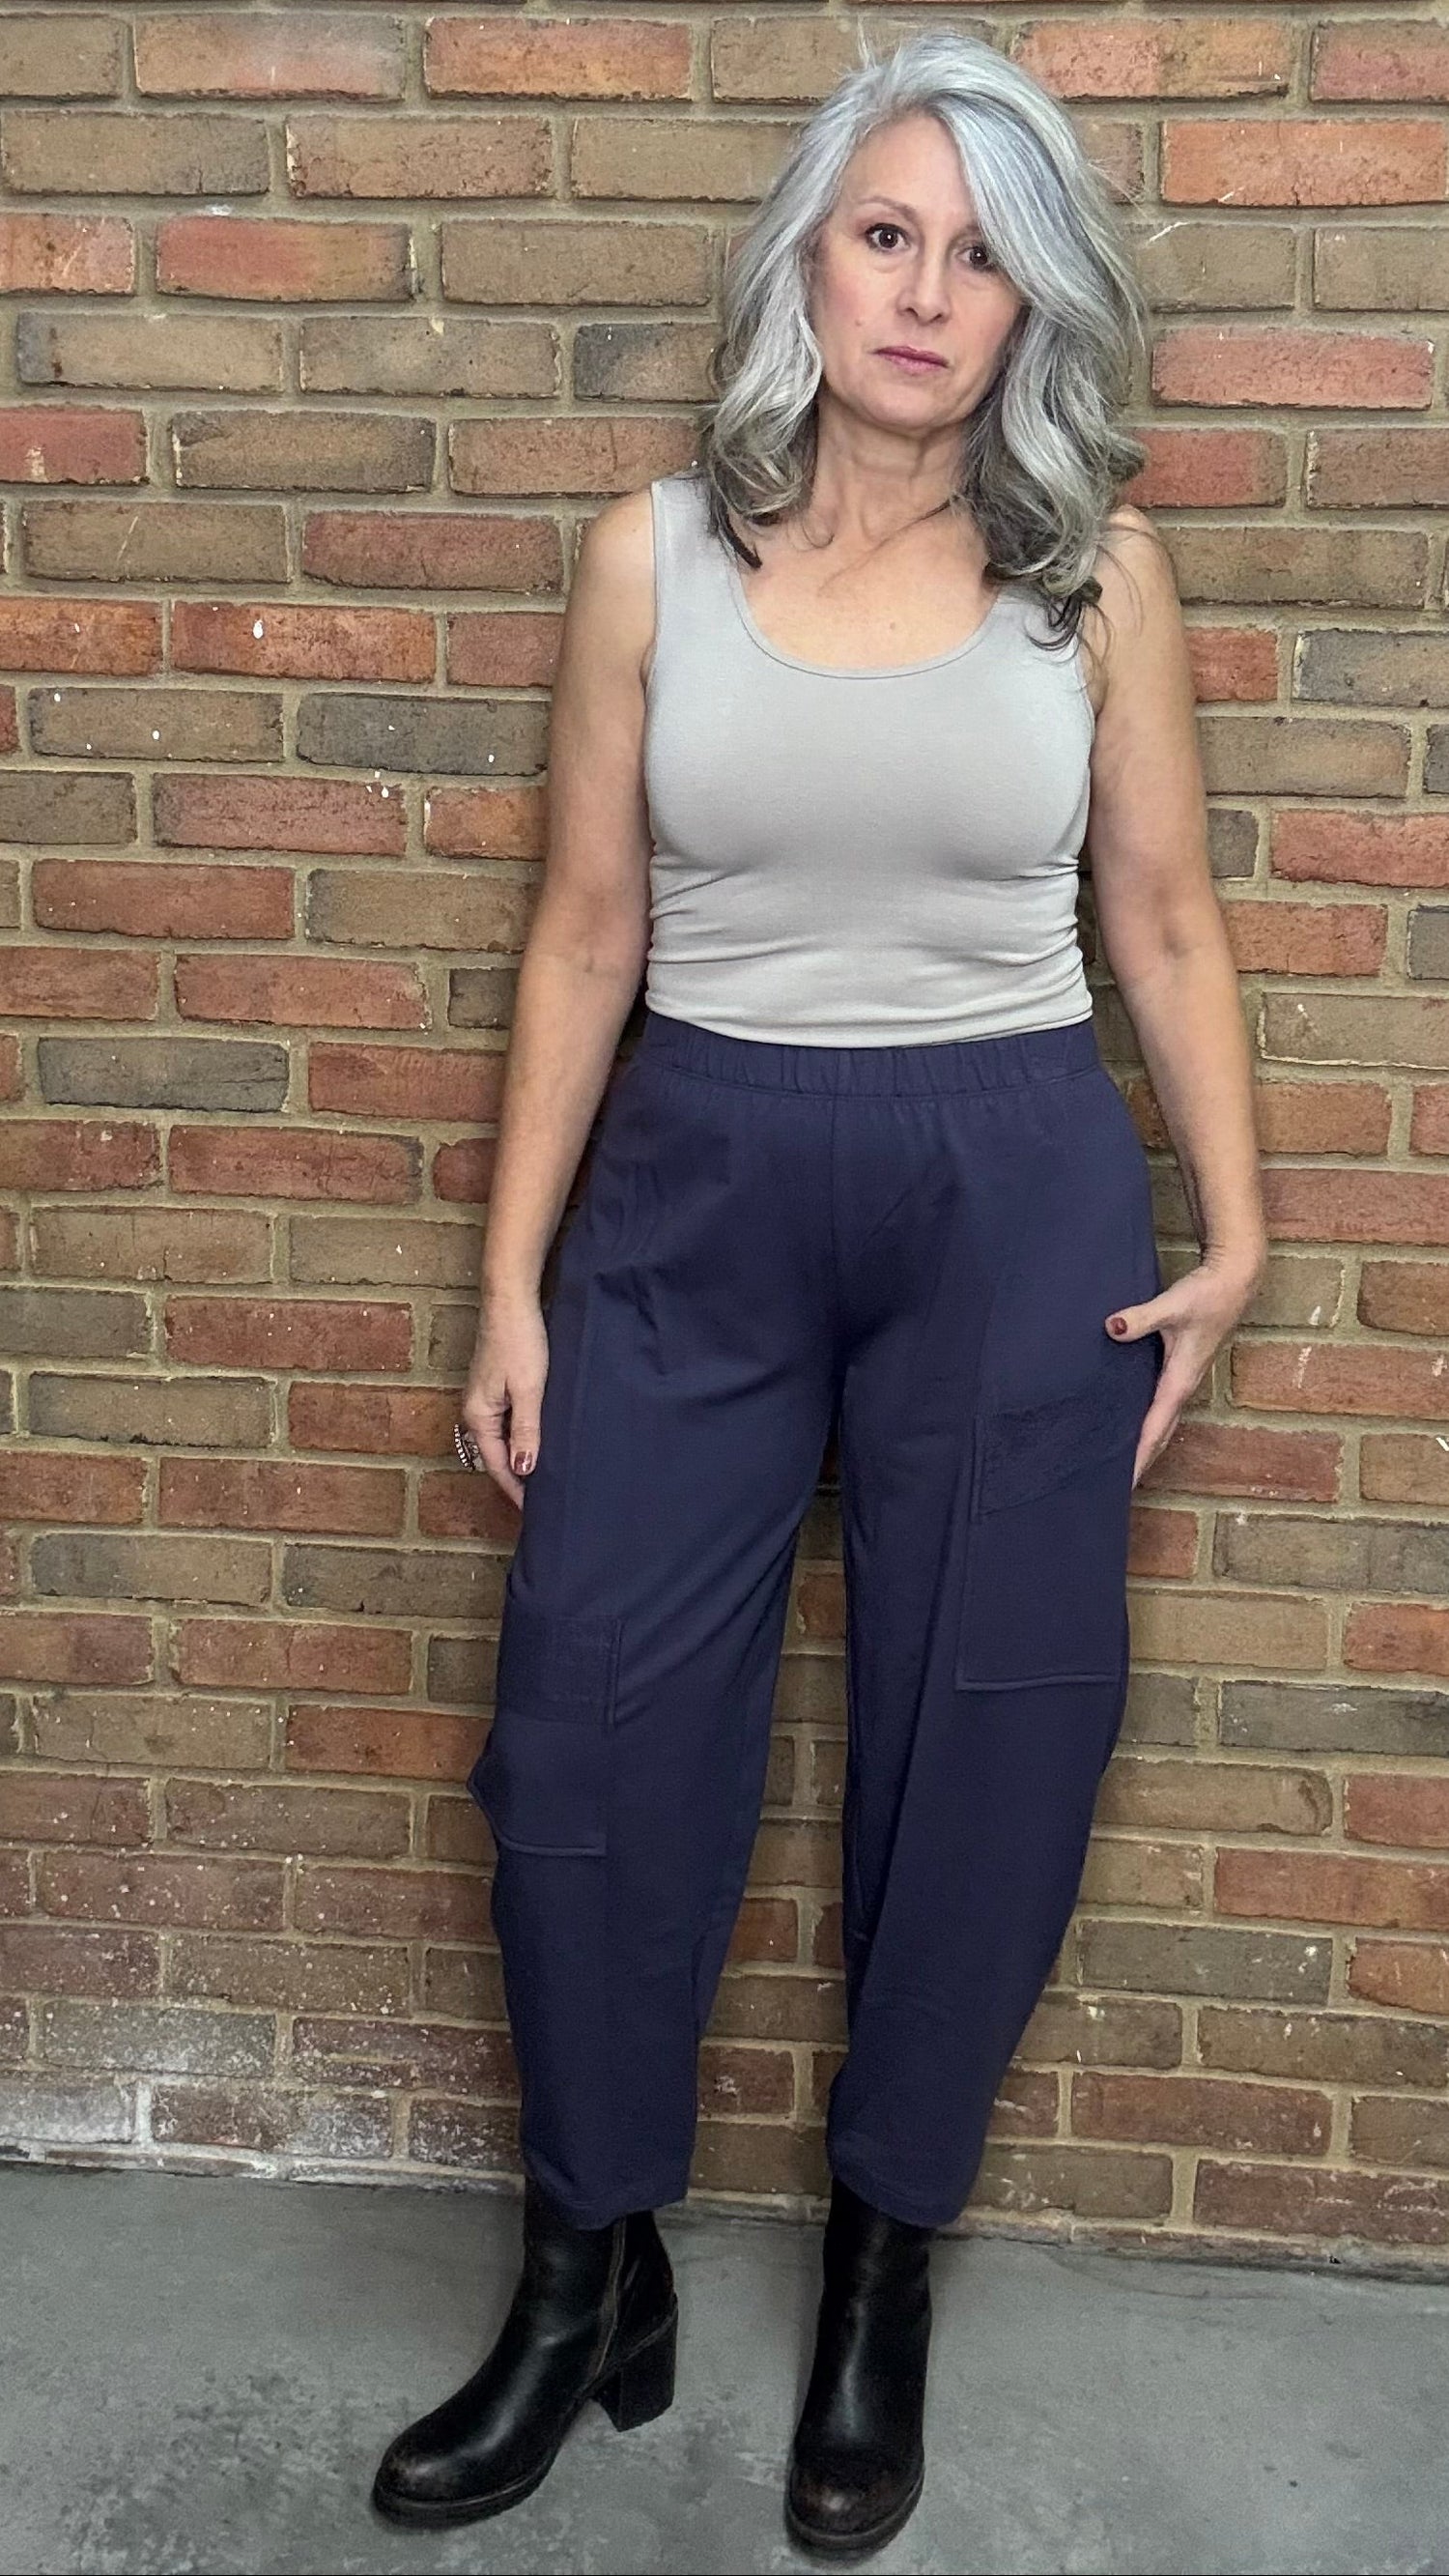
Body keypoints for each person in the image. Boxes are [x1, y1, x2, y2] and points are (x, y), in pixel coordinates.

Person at [371, 24, 1268, 2559]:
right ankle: (588, 2267)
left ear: (1029, 315)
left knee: (983, 1742)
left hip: (1007, 1199)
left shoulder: (1092, 578)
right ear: (806, 257)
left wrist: (1240, 1224)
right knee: (580, 1734)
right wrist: (509, 1282)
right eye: (885, 230)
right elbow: (580, 926)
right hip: (690, 1192)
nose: (923, 288)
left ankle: (881, 2267)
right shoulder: (655, 556)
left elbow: (1164, 919)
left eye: (981, 255)